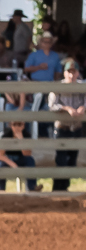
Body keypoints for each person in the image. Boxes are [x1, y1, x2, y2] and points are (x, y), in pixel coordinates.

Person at [52, 59, 84, 192]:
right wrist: (67, 108)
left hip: (76, 127)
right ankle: (58, 189)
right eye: (69, 72)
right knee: (61, 160)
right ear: (64, 73)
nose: (71, 75)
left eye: (74, 72)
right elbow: (52, 105)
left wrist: (83, 107)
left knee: (72, 160)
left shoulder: (82, 86)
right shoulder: (57, 87)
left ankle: (65, 188)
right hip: (62, 127)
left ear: (78, 73)